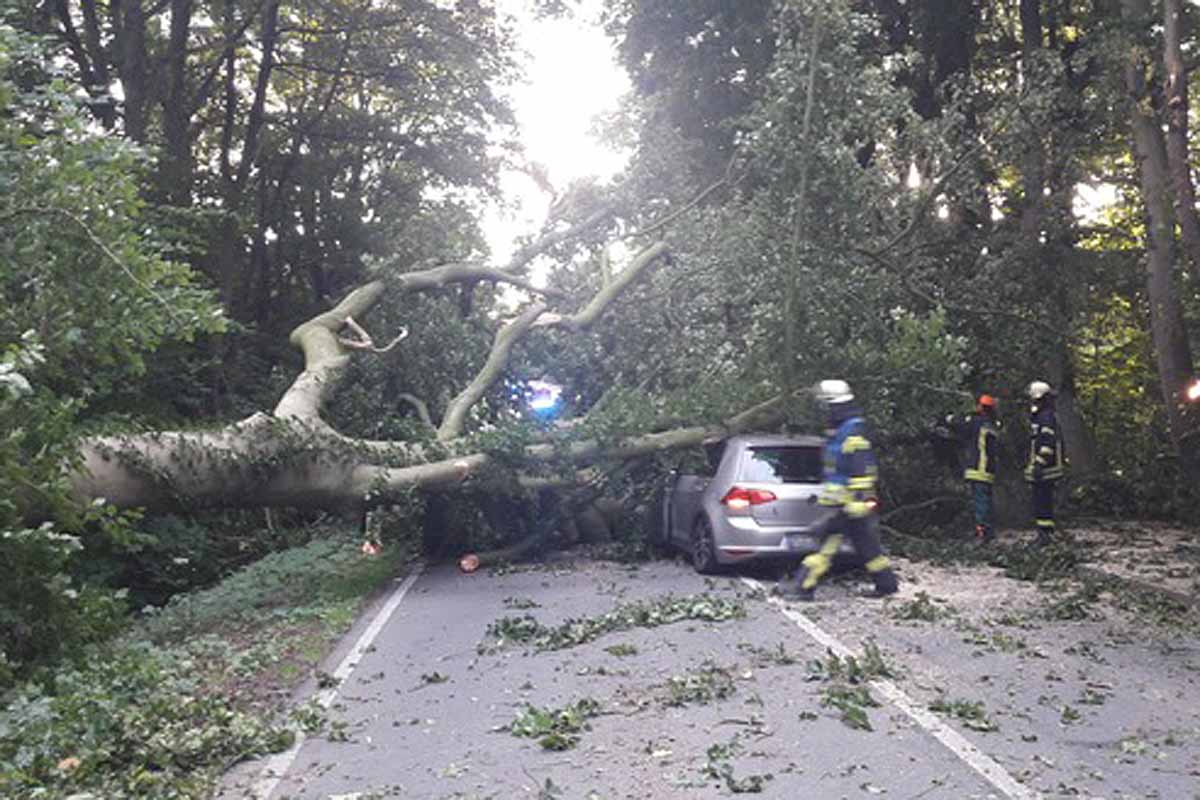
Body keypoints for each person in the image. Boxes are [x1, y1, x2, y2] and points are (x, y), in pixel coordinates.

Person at [775, 379, 899, 601]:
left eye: (825, 405)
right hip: (846, 503)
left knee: (826, 546)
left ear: (833, 404)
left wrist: (855, 503)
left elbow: (862, 469)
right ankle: (887, 585)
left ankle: (803, 587)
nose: (823, 411)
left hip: (851, 504)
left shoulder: (852, 432)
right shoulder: (842, 429)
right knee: (867, 547)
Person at [944, 394, 1001, 541]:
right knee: (987, 500)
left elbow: (960, 426)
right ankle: (989, 530)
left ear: (981, 407)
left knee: (980, 500)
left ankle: (982, 531)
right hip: (989, 468)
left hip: (978, 467)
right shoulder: (992, 424)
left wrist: (948, 418)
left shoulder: (977, 422)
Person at [1024, 380, 1065, 546]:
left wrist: (1039, 464)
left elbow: (1047, 443)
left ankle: (1045, 536)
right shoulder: (1041, 415)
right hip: (1044, 467)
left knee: (1042, 501)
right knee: (1041, 501)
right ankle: (1044, 534)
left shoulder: (1045, 417)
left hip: (1047, 468)